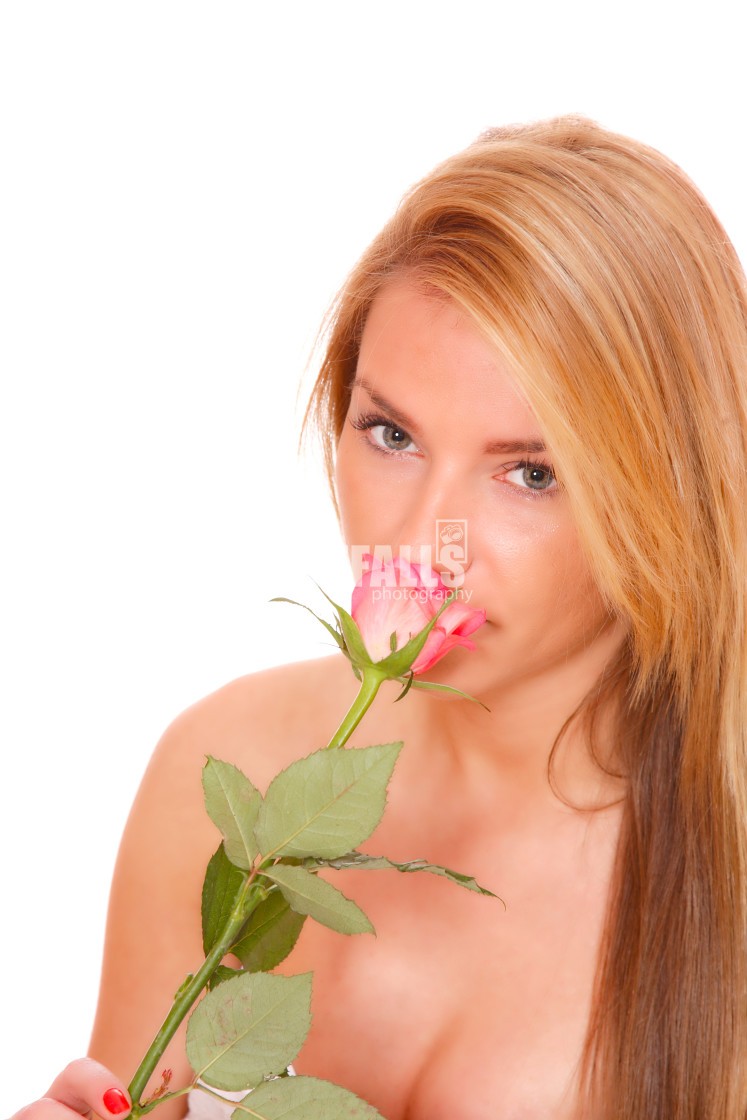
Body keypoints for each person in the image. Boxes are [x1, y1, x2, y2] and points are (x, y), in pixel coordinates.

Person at [13, 116, 747, 1120]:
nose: (424, 540)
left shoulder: (727, 863)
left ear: (666, 492)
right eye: (392, 433)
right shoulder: (224, 775)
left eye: (530, 472)